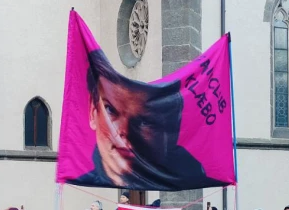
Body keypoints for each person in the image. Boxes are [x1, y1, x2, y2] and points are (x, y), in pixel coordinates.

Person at [78, 48, 210, 189]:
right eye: (110, 110)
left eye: (143, 121)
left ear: (171, 132)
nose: (123, 131)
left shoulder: (195, 177)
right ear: (92, 111)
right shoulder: (83, 178)